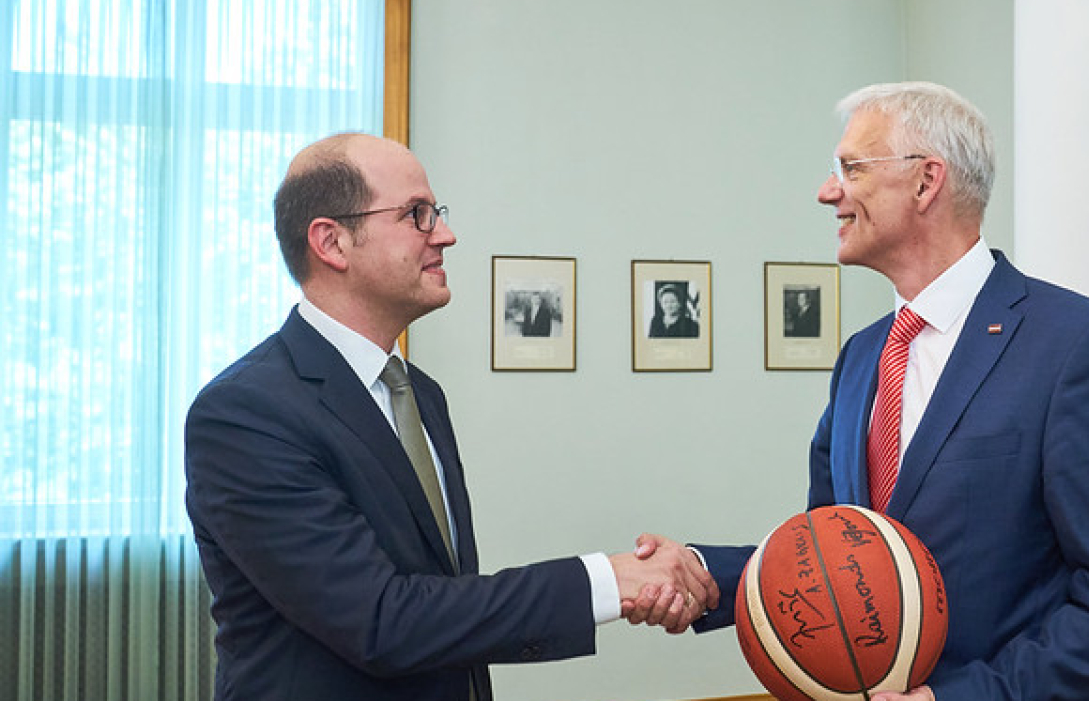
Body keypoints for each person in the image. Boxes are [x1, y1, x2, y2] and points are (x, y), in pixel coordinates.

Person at [632, 82, 1089, 701]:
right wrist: (700, 574)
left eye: (850, 169)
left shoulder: (1076, 345)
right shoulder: (861, 358)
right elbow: (831, 558)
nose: (827, 191)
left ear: (925, 182)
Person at [184, 133, 715, 701]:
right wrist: (610, 579)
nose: (445, 233)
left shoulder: (419, 394)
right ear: (332, 242)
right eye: (417, 214)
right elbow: (382, 622)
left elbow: (446, 605)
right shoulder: (245, 413)